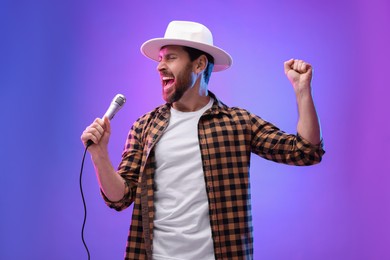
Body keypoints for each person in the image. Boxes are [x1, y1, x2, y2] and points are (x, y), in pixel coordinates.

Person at [81, 20, 325, 260]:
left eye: (171, 58)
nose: (160, 67)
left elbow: (305, 151)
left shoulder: (238, 122)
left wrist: (302, 91)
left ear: (199, 64)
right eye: (160, 59)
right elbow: (120, 198)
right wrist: (100, 155)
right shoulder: (145, 126)